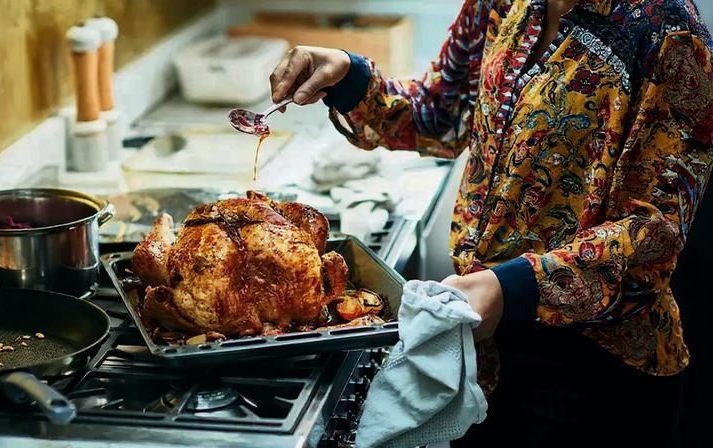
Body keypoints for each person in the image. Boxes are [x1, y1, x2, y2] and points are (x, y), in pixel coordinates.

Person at [269, 0, 713, 446]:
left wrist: (511, 288)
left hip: (592, 375)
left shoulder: (668, 30)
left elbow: (654, 234)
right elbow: (442, 113)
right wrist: (349, 75)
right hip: (481, 353)